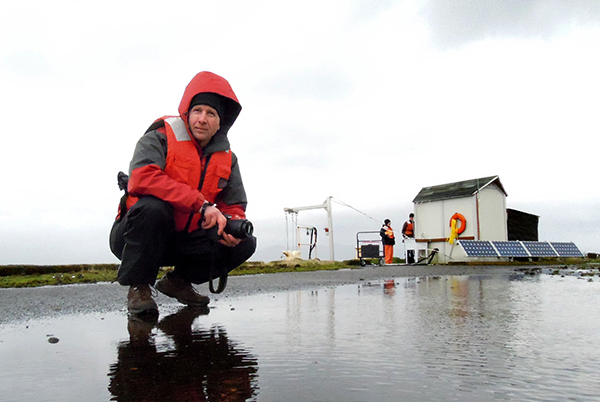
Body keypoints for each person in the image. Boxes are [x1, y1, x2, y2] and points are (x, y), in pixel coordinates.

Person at [110, 71, 256, 315]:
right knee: (153, 208)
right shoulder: (159, 137)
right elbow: (142, 178)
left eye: (211, 114)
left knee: (246, 242)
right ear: (187, 113)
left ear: (221, 122)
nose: (202, 119)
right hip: (137, 235)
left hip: (185, 239)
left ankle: (178, 282)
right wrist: (201, 204)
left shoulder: (228, 159)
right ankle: (139, 288)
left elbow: (234, 205)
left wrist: (234, 225)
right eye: (198, 111)